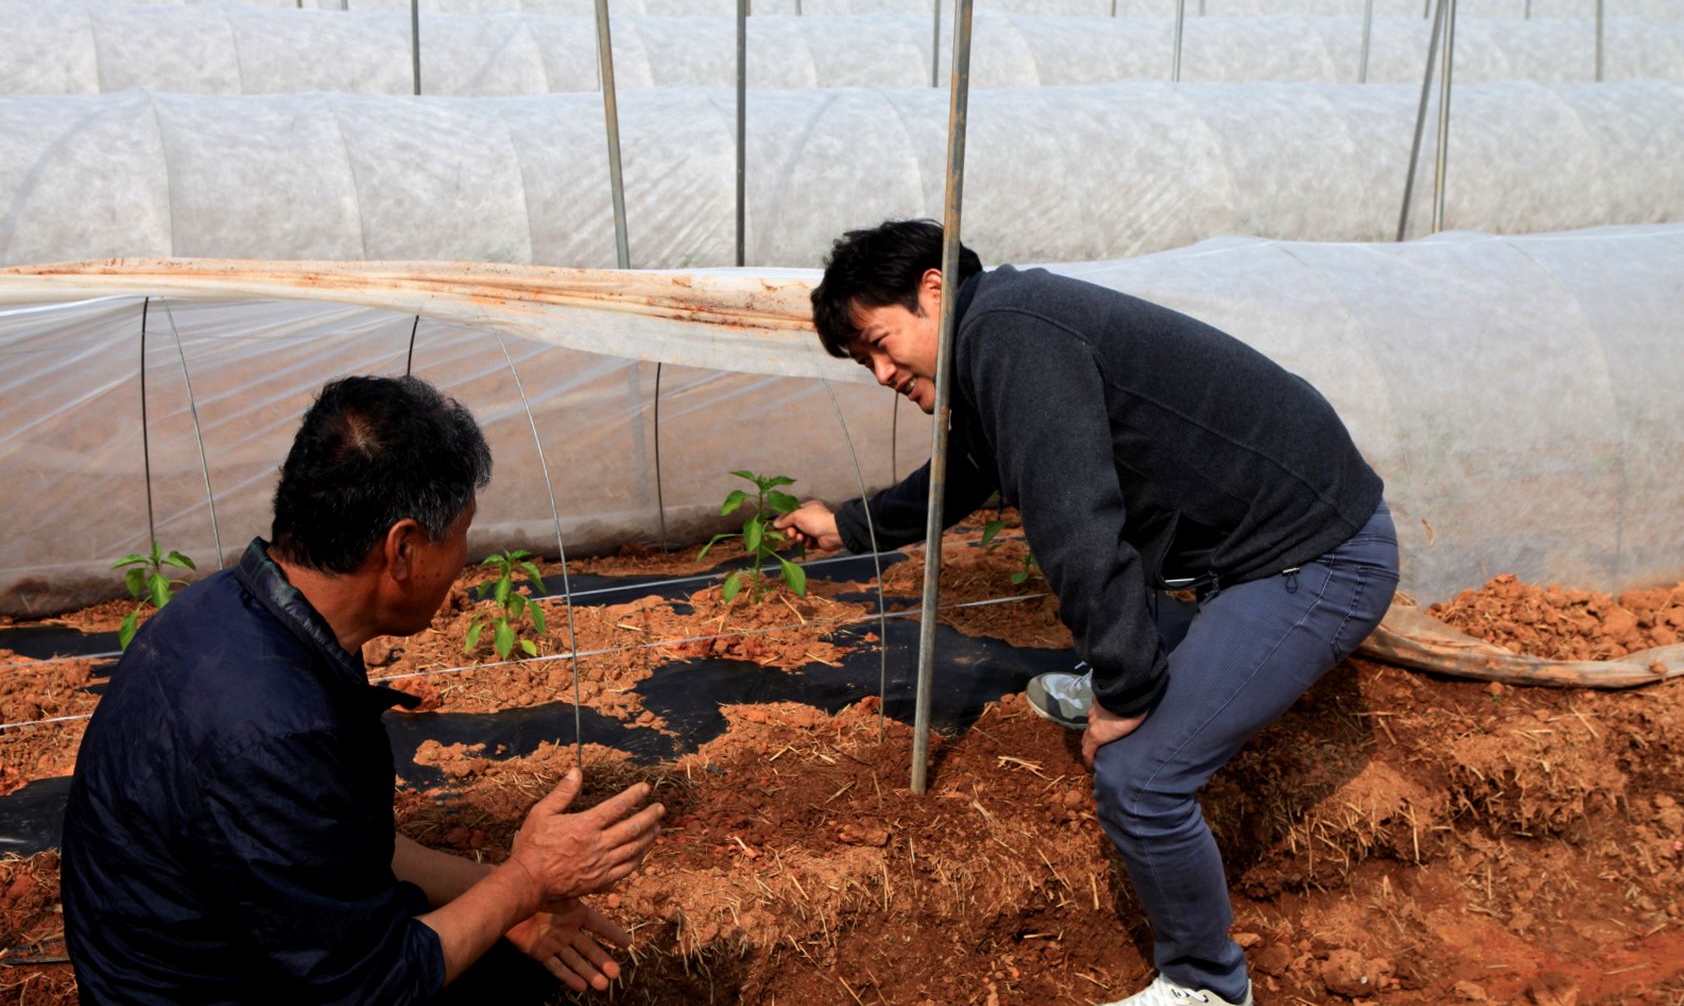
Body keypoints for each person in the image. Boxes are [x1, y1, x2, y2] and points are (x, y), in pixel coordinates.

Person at [775, 221, 1398, 1006]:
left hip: (1317, 560)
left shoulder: (1011, 334)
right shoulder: (1003, 326)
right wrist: (851, 524)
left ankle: (1206, 984)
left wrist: (1124, 694)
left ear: (932, 289)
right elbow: (966, 471)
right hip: (1255, 557)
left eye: (879, 341)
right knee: (1129, 650)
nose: (879, 371)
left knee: (1138, 779)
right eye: (864, 359)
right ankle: (1150, 667)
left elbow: (1076, 523)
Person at [63, 375, 664, 1005]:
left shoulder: (225, 610)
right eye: (460, 531)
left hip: (214, 957)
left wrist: (504, 892)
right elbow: (371, 986)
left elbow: (348, 850)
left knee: (512, 953)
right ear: (402, 549)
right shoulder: (273, 732)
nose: (465, 556)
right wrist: (527, 878)